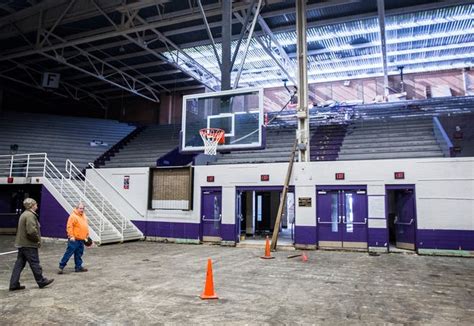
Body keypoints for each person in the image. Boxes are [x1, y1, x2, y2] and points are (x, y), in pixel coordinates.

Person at [9, 198, 54, 291]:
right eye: (35, 204)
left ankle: (13, 284)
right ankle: (41, 281)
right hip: (29, 244)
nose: (37, 205)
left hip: (22, 244)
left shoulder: (24, 214)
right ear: (31, 205)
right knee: (35, 263)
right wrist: (37, 240)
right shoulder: (30, 216)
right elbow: (31, 231)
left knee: (19, 264)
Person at [58, 202, 90, 274]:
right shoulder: (73, 216)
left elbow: (85, 226)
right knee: (69, 253)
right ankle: (61, 266)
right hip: (74, 239)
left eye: (83, 208)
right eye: (80, 208)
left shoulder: (84, 216)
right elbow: (69, 227)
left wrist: (87, 235)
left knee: (79, 254)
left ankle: (78, 267)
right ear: (76, 208)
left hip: (81, 239)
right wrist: (71, 236)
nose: (82, 210)